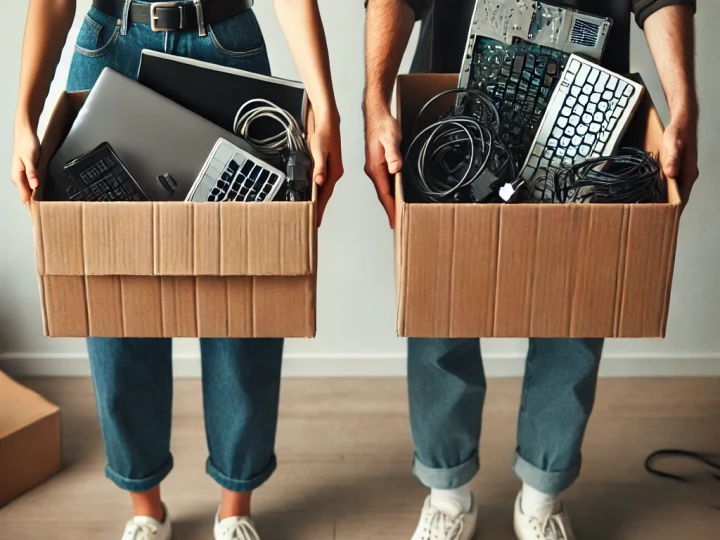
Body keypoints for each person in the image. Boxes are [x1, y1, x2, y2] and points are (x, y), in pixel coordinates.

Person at [363, 0, 698, 539]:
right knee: (441, 304)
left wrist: (684, 107)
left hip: (589, 102)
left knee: (574, 311)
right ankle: (448, 495)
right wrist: (374, 98)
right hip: (454, 111)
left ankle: (542, 494)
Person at [11, 1, 342, 539]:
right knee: (117, 298)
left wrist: (325, 108)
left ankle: (236, 510)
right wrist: (23, 115)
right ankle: (145, 510)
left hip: (227, 43)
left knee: (244, 291)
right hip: (109, 45)